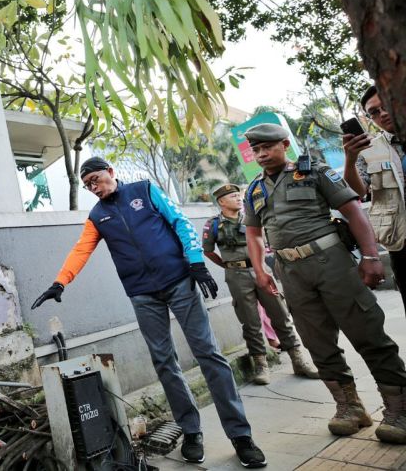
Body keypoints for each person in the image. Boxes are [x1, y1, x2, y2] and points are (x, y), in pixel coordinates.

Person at [32, 157, 267, 468]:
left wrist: (196, 262)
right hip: (142, 294)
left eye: (97, 180)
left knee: (208, 353)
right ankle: (191, 431)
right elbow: (81, 249)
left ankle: (240, 436)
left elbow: (180, 221)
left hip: (180, 283)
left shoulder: (144, 190)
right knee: (164, 362)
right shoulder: (98, 215)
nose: (94, 188)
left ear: (111, 173)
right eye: (88, 185)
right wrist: (60, 282)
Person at [243, 123, 406, 444]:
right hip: (291, 272)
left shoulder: (315, 172)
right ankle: (349, 407)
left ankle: (399, 409)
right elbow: (253, 233)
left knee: (367, 331)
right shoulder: (254, 189)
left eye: (267, 147)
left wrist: (371, 257)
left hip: (331, 262)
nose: (261, 155)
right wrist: (261, 271)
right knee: (317, 341)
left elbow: (353, 210)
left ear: (284, 144)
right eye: (256, 150)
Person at [203, 183, 318, 385]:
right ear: (221, 202)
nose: (238, 199)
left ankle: (298, 360)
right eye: (232, 197)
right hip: (236, 274)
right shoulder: (213, 224)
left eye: (238, 196)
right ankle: (261, 365)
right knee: (250, 321)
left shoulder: (252, 218)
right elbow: (208, 251)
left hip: (261, 270)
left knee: (280, 313)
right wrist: (228, 266)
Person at [343, 85, 406, 312]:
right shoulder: (367, 151)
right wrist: (350, 159)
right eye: (375, 112)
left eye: (386, 105)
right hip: (401, 243)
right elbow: (357, 192)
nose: (383, 114)